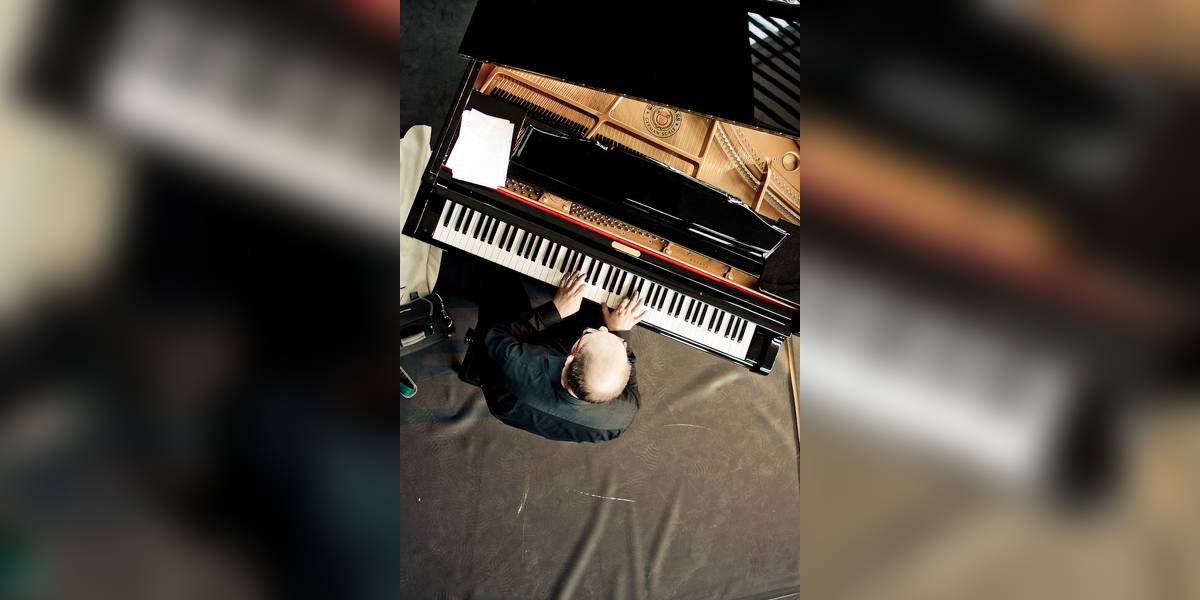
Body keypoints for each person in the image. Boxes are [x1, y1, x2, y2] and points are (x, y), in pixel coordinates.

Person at [481, 271, 647, 442]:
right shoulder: (620, 419)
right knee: (603, 314)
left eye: (591, 333)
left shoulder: (517, 363)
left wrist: (554, 311)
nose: (604, 330)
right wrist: (618, 333)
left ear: (569, 358)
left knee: (501, 281)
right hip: (524, 400)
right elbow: (631, 388)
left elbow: (495, 334)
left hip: (504, 391)